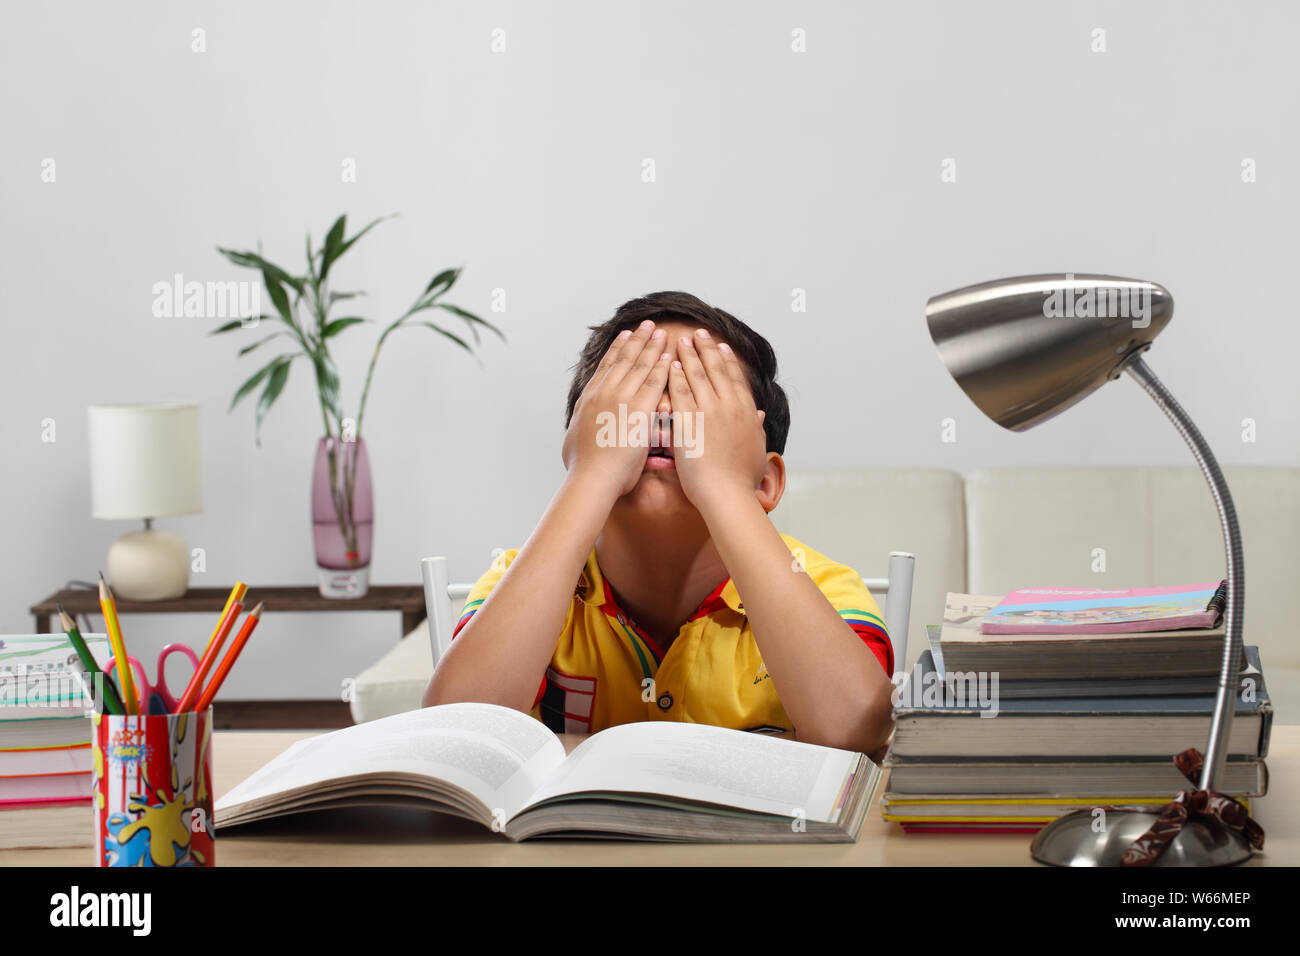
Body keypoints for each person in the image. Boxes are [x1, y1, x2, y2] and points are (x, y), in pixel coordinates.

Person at [422, 291, 895, 758]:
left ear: (766, 482)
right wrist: (591, 476)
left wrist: (727, 488)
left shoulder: (821, 588)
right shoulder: (521, 580)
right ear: (581, 442)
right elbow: (457, 734)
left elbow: (857, 730)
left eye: (700, 396)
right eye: (636, 390)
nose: (665, 412)